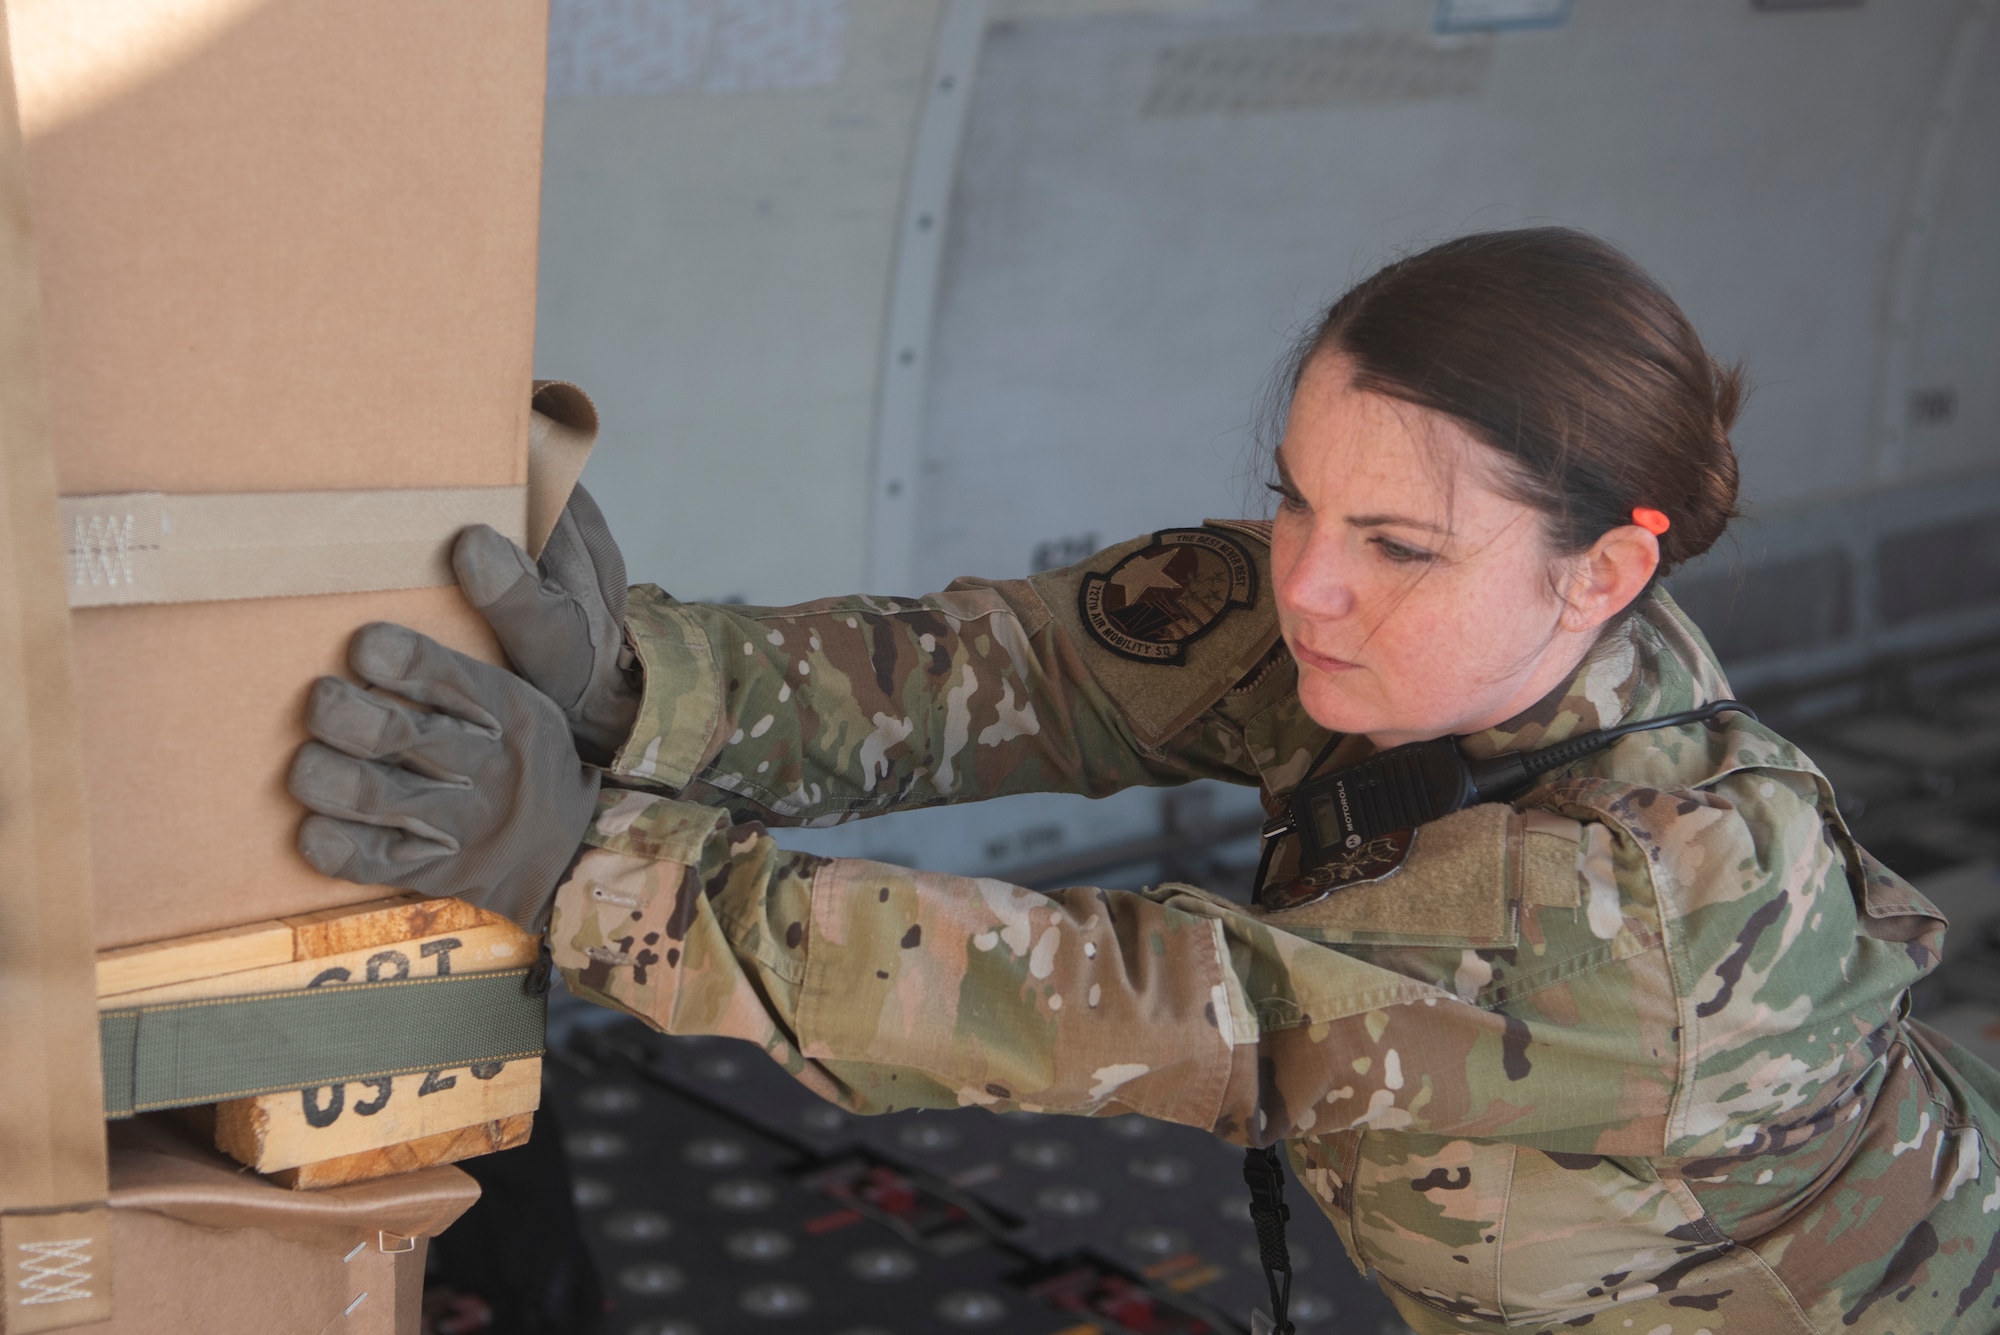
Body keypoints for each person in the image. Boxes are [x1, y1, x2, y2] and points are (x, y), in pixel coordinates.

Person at [287, 228, 2000, 1334]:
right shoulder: (1387, 627)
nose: (1306, 582)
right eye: (1295, 497)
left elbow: (1095, 1006)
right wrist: (644, 684)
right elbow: (1011, 675)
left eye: (1396, 542)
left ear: (1609, 574)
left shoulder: (1631, 937)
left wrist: (585, 867)